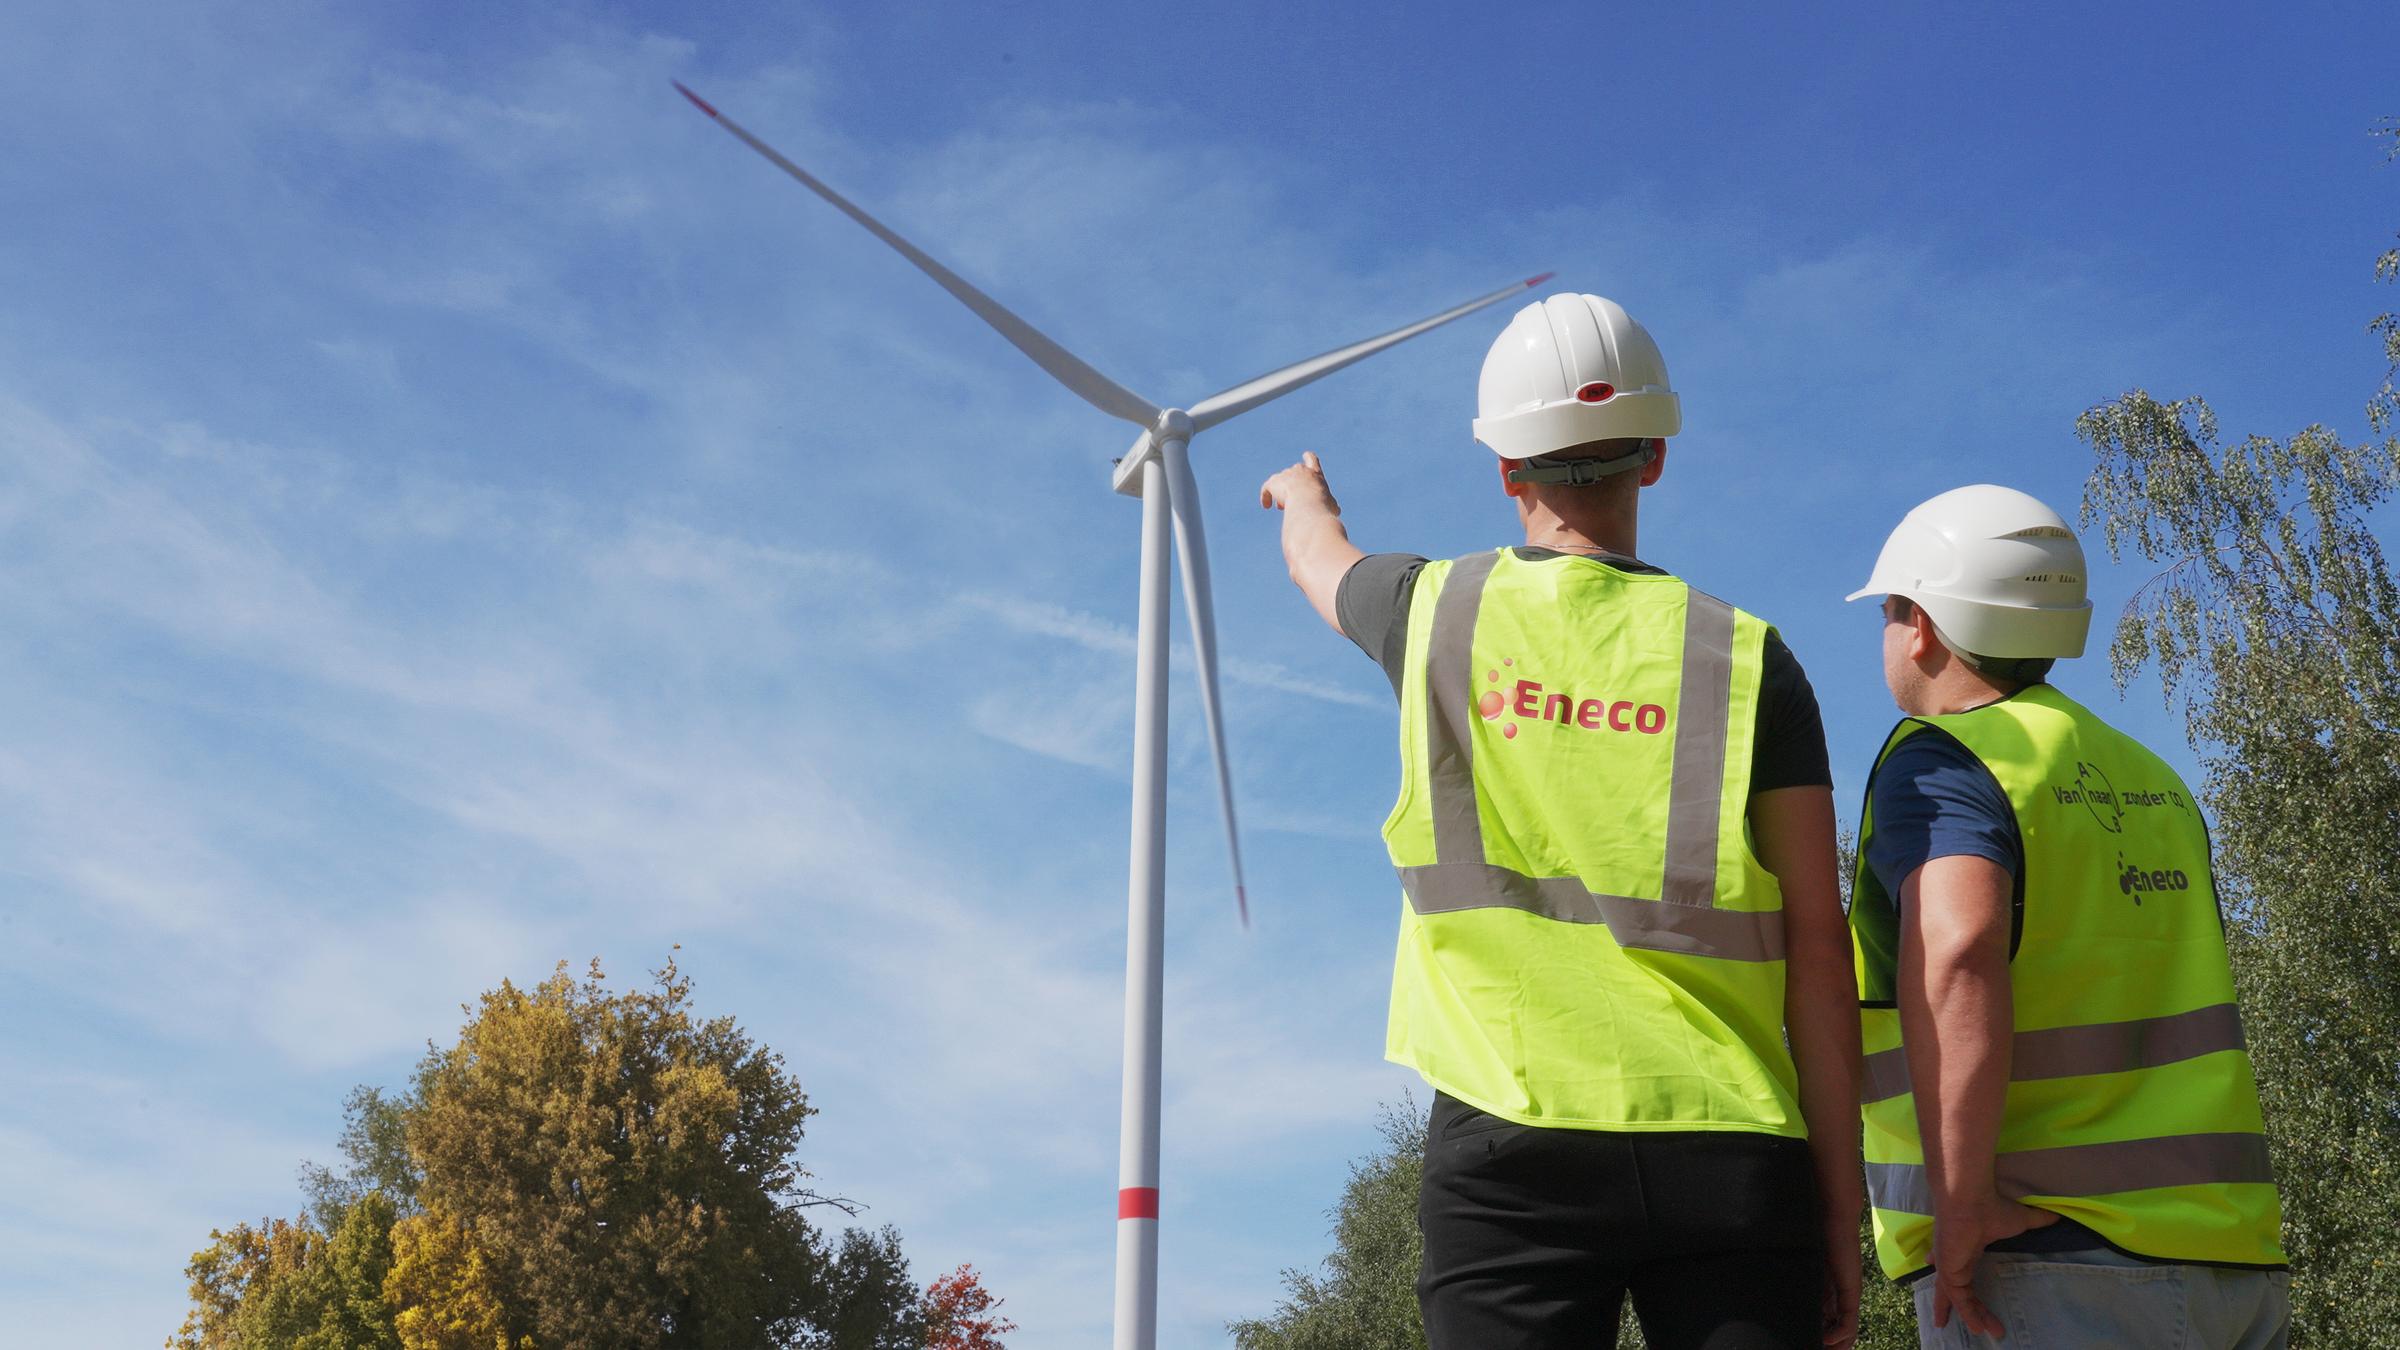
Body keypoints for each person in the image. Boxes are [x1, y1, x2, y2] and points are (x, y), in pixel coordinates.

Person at [1259, 293, 1862, 1350]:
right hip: (1727, 1149)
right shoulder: (1750, 659)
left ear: (1506, 468)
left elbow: (1319, 560)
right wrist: (1838, 1205)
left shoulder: (1432, 611)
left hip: (1511, 1144)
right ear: (1655, 458)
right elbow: (1820, 940)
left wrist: (1303, 494)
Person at [1845, 486, 2289, 1348]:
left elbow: (1959, 945)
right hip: (2231, 1259)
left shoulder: (1944, 760)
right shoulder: (2154, 777)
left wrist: (1962, 1203)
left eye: (1891, 611)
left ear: (1924, 625)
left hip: (2048, 1258)